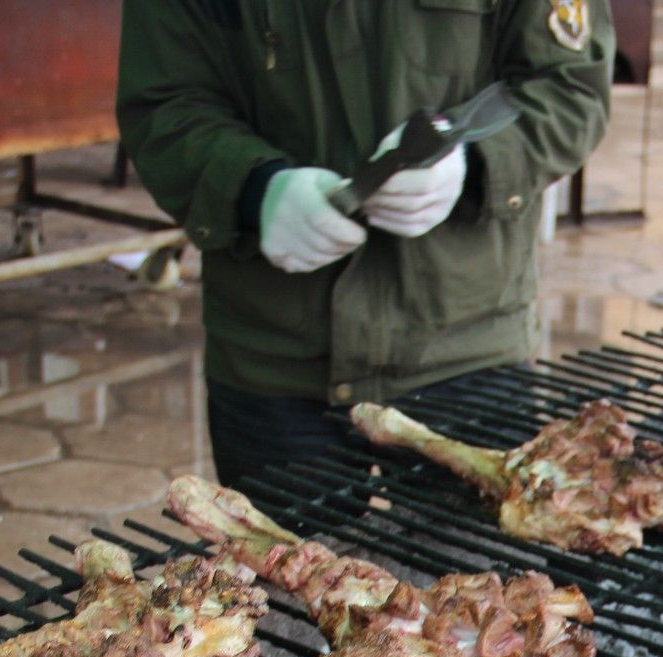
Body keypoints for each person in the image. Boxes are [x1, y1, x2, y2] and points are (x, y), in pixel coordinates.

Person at [116, 0, 613, 487]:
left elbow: (569, 85)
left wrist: (476, 162)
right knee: (279, 566)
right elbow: (164, 100)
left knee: (481, 565)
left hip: (464, 341)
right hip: (276, 351)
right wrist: (251, 187)